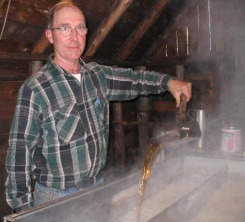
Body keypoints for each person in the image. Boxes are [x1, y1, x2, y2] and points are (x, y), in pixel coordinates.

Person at [5, 1, 192, 212]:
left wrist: (168, 82)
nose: (74, 37)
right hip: (55, 199)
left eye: (80, 28)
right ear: (50, 35)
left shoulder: (98, 76)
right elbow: (19, 154)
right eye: (65, 28)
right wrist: (22, 211)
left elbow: (135, 80)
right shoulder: (35, 89)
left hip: (96, 189)